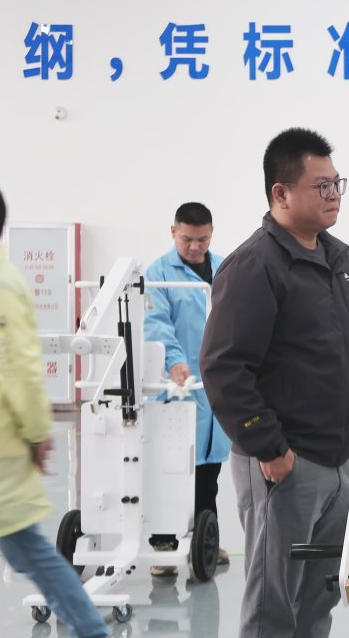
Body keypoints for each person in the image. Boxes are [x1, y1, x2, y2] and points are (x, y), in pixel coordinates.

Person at [201, 127, 349, 638]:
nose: (334, 194)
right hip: (284, 464)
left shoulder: (339, 259)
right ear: (281, 193)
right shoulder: (255, 266)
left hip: (339, 458)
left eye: (337, 183)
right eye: (322, 186)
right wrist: (269, 448)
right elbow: (225, 367)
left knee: (320, 598)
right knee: (272, 607)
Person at [0, 176, 108, 637]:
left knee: (28, 559)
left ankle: (94, 632)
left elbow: (18, 369)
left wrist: (35, 432)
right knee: (32, 558)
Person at [144, 202, 230, 575]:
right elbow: (156, 324)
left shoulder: (225, 268)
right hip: (176, 385)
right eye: (187, 239)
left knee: (209, 472)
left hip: (215, 386)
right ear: (173, 232)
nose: (195, 247)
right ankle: (163, 544)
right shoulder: (158, 273)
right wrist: (174, 361)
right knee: (171, 468)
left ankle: (206, 540)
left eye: (202, 239)